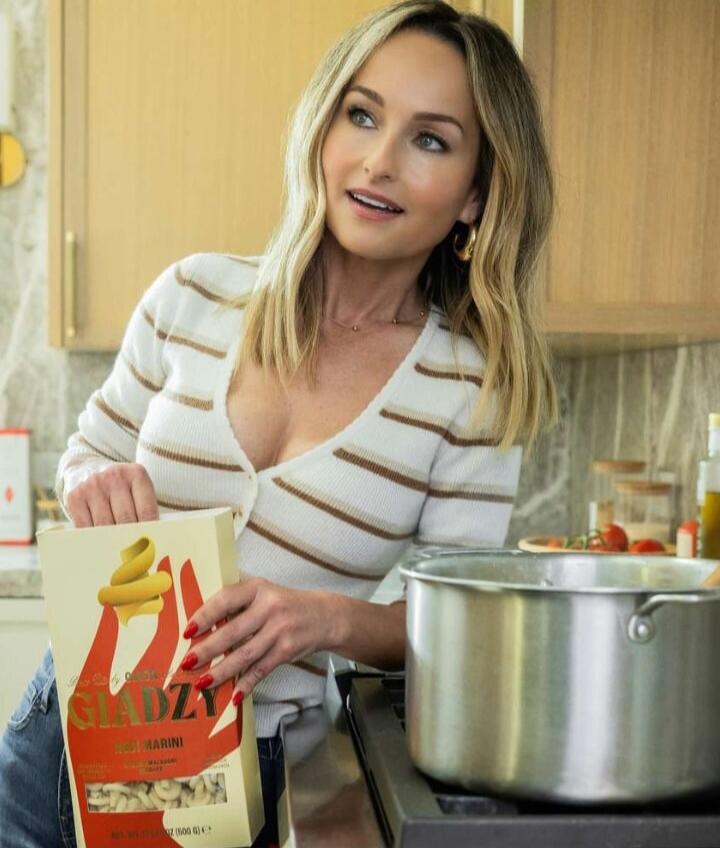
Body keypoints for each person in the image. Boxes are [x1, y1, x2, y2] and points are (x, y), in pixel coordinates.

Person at [0, 1, 557, 846]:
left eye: (431, 139)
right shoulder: (193, 294)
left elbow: (454, 619)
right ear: (323, 126)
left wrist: (326, 619)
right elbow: (89, 453)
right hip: (67, 732)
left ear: (477, 194)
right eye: (362, 115)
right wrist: (90, 483)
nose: (378, 162)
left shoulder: (471, 391)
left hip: (235, 774)